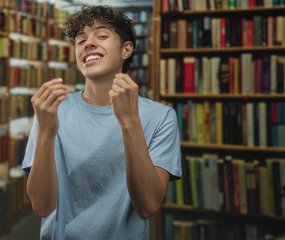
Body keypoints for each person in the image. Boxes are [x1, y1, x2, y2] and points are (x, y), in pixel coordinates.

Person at [22, 5, 181, 240]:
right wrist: (46, 132)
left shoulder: (161, 117)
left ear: (126, 49)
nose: (88, 43)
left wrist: (129, 122)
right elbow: (42, 206)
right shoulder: (53, 111)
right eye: (80, 40)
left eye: (102, 35)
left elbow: (148, 206)